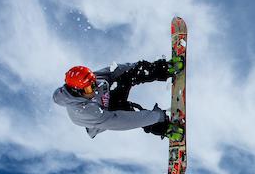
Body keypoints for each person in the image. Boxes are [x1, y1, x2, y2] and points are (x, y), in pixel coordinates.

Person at [53, 58, 183, 140]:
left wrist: (146, 68)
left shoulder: (91, 82)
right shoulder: (84, 112)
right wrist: (157, 116)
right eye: (88, 89)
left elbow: (116, 71)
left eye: (94, 83)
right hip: (106, 115)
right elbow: (122, 121)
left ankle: (167, 68)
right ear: (77, 92)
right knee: (130, 111)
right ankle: (167, 128)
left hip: (109, 97)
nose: (94, 88)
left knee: (131, 73)